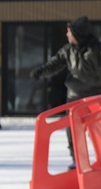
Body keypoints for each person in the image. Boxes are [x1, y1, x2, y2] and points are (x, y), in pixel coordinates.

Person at [30, 16, 101, 166]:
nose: (67, 35)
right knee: (73, 130)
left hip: (95, 97)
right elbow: (55, 64)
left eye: (69, 32)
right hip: (75, 96)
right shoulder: (67, 50)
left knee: (98, 130)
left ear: (78, 34)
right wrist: (40, 71)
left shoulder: (96, 50)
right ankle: (77, 161)